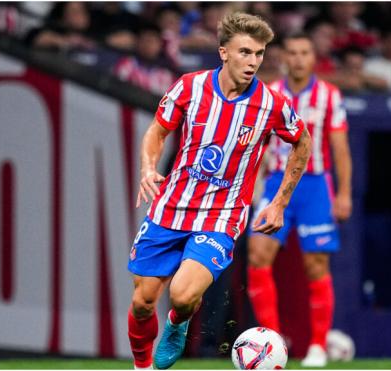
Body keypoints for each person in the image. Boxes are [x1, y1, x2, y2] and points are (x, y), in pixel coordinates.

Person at [126, 12, 312, 370]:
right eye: (245, 52)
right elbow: (157, 131)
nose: (253, 61)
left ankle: (178, 324)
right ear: (224, 52)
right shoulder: (189, 87)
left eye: (259, 54)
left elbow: (301, 143)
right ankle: (141, 366)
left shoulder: (271, 104)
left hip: (221, 216)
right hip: (170, 208)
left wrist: (278, 203)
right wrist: (148, 168)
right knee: (143, 301)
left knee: (181, 295)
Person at [246, 32, 352, 367]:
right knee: (258, 254)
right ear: (283, 58)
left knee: (316, 264)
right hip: (277, 183)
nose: (298, 59)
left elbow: (340, 148)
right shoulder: (270, 94)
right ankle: (273, 344)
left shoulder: (329, 96)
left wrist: (345, 193)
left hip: (315, 185)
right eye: (292, 52)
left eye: (304, 52)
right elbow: (259, 144)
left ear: (313, 58)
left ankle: (318, 345)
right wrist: (251, 184)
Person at [113, 24, 175, 95]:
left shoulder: (165, 74)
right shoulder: (126, 63)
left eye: (151, 41)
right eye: (143, 40)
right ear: (137, 42)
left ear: (160, 45)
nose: (147, 45)